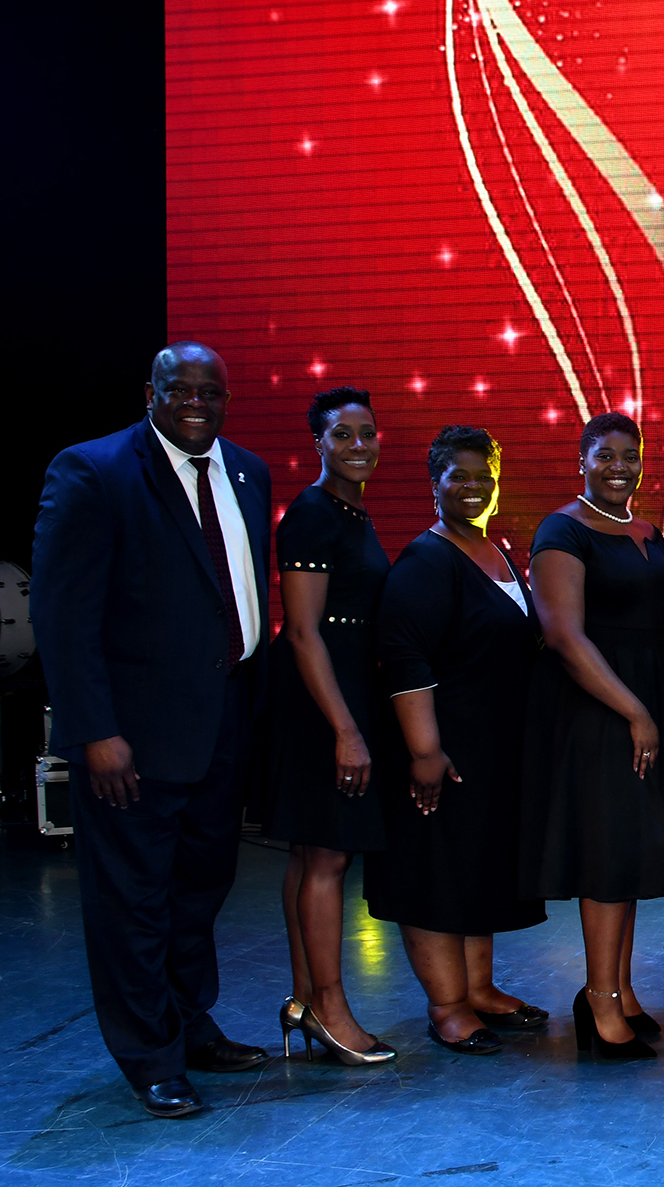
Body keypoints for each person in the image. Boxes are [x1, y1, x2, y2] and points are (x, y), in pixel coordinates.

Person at [32, 341, 273, 1118]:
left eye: (213, 390)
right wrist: (92, 730)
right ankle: (149, 1056)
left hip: (223, 725)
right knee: (131, 899)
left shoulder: (246, 471)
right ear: (150, 392)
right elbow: (61, 615)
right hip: (130, 742)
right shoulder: (93, 471)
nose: (197, 401)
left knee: (199, 893)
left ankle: (191, 1026)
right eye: (182, 389)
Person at [368, 426, 548, 1056]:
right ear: (435, 483)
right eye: (458, 477)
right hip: (440, 752)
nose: (473, 487)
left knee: (475, 870)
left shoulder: (492, 551)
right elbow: (404, 657)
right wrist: (424, 752)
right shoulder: (425, 560)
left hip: (490, 753)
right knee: (435, 876)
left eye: (483, 476)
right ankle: (447, 1005)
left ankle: (478, 988)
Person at [522, 413, 664, 1061]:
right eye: (606, 456)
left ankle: (618, 989)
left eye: (631, 455)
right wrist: (635, 712)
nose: (620, 466)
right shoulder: (561, 530)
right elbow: (564, 636)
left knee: (626, 853)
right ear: (582, 461)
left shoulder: (645, 529)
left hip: (644, 697)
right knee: (603, 854)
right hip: (597, 709)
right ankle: (597, 1001)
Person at [267, 387, 396, 1065]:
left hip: (342, 692)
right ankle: (328, 1006)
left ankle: (304, 1001)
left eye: (366, 434)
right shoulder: (314, 515)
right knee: (327, 856)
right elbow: (305, 635)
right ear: (318, 443)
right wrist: (346, 729)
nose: (358, 446)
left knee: (311, 854)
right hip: (323, 700)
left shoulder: (350, 513)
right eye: (342, 435)